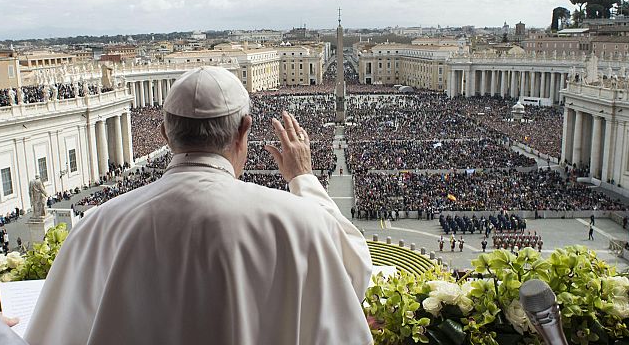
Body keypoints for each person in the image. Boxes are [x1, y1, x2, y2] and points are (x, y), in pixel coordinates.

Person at [24, 67, 373, 345]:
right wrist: (304, 180)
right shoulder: (299, 222)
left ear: (164, 134)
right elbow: (355, 272)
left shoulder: (98, 227)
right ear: (244, 130)